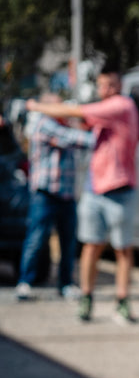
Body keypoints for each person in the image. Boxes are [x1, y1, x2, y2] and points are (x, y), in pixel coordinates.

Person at [27, 66, 139, 324]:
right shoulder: (105, 112)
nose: (105, 91)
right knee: (91, 247)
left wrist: (36, 106)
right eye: (101, 86)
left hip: (120, 189)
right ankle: (87, 299)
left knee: (123, 250)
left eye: (109, 85)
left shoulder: (121, 106)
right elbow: (78, 122)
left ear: (119, 86)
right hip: (95, 189)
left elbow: (74, 112)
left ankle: (122, 301)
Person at [12, 95, 94, 302]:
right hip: (45, 192)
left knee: (68, 243)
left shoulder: (65, 124)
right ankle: (25, 282)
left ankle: (65, 284)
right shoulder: (44, 124)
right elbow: (76, 139)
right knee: (36, 239)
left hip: (66, 194)